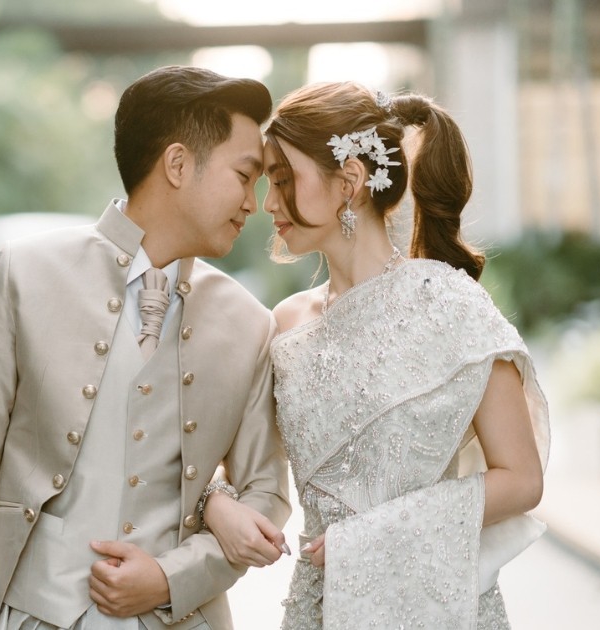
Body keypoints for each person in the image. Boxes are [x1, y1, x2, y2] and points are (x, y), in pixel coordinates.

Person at [0, 65, 292, 630]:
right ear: (177, 164)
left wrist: (172, 578)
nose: (255, 201)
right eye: (245, 176)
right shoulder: (22, 276)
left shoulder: (250, 323)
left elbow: (264, 493)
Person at [201, 82, 550, 629]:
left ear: (350, 181)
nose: (267, 202)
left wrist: (369, 539)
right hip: (319, 608)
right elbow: (229, 458)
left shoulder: (452, 305)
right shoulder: (283, 326)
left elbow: (523, 480)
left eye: (284, 179)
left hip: (439, 607)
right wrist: (216, 503)